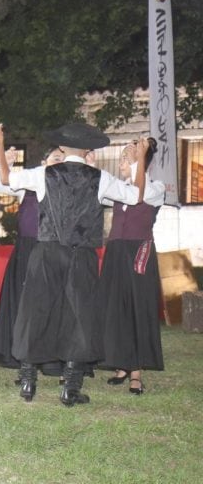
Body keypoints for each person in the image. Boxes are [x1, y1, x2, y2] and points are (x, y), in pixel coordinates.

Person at [0, 122, 148, 406]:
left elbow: (4, 177)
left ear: (62, 148)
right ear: (88, 149)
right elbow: (136, 197)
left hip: (47, 251)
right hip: (82, 255)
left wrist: (0, 143)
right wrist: (140, 163)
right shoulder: (100, 178)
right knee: (81, 316)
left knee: (35, 311)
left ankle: (28, 381)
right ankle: (70, 388)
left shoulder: (44, 174)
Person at [0, 146, 64, 376]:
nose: (60, 162)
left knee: (51, 304)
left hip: (53, 250)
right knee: (24, 304)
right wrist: (8, 164)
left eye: (63, 159)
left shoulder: (67, 185)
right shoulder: (30, 183)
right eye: (56, 158)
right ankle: (23, 359)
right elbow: (2, 184)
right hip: (27, 250)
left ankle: (51, 359)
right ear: (44, 161)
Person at [99, 137, 165, 395]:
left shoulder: (155, 187)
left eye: (126, 157)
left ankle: (136, 371)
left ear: (140, 161)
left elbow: (141, 195)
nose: (121, 162)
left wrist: (141, 158)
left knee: (137, 307)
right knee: (115, 307)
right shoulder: (118, 187)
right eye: (121, 158)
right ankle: (120, 362)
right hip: (116, 250)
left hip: (139, 251)